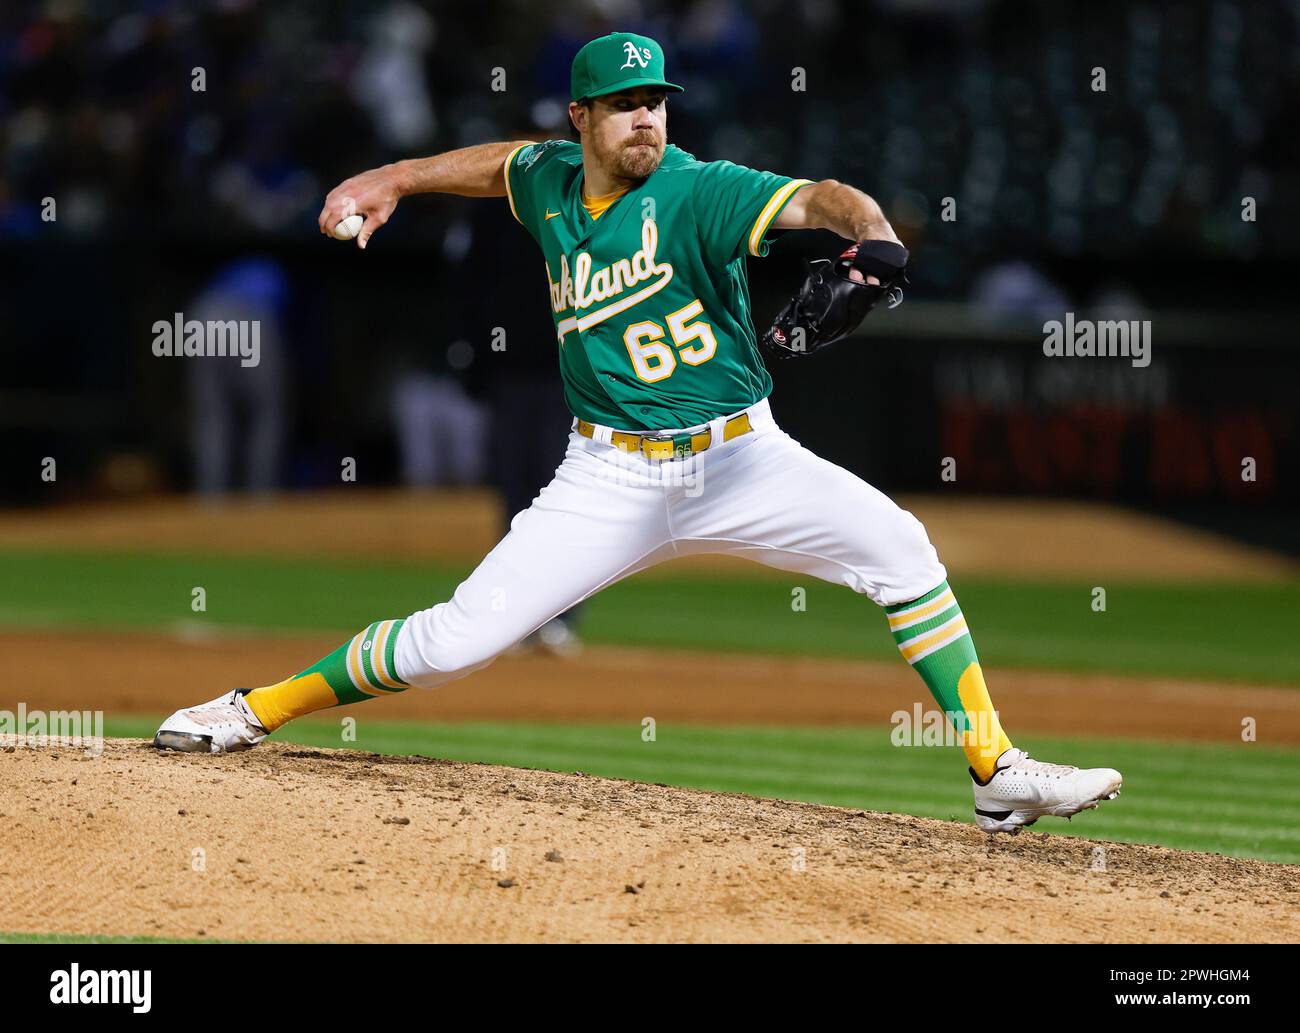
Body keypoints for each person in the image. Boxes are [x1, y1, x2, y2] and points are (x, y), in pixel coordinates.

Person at [155, 32, 1121, 835]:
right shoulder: (548, 180)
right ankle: (250, 709)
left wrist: (874, 244)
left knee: (904, 549)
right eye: (622, 104)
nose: (646, 117)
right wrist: (395, 178)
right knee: (453, 644)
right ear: (581, 122)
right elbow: (500, 165)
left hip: (745, 457)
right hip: (607, 477)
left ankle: (995, 769)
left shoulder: (700, 190)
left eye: (655, 98)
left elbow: (823, 196)